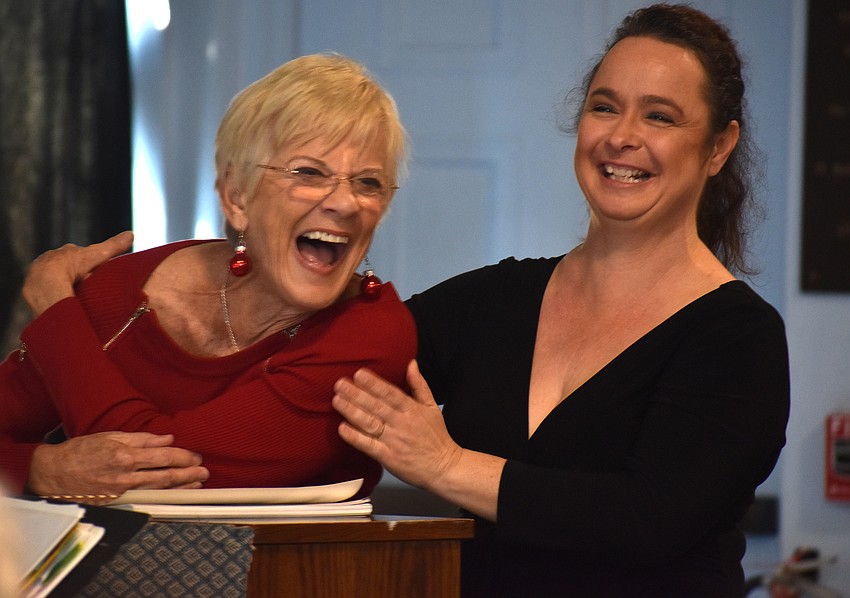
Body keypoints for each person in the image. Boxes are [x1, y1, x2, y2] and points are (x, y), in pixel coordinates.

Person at [332, 4, 789, 596]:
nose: (622, 137)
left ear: (719, 147)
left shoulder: (737, 336)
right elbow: (336, 365)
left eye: (660, 116)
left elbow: (647, 519)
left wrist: (446, 465)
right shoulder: (495, 300)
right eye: (605, 107)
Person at [0, 53, 416, 502]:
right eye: (309, 172)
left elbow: (156, 477)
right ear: (236, 197)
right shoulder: (121, 295)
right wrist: (41, 469)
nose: (346, 203)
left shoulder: (372, 335)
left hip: (301, 572)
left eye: (368, 183)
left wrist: (56, 308)